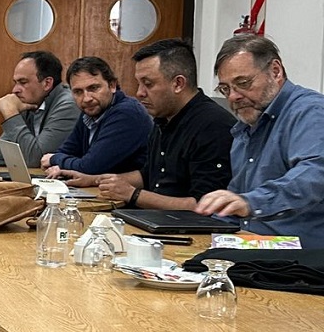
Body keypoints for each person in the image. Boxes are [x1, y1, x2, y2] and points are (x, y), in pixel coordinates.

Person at [69, 39, 233, 209]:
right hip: (154, 219)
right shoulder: (163, 117)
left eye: (148, 84)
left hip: (185, 228)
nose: (139, 93)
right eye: (138, 84)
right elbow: (148, 174)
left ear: (178, 84)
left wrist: (134, 195)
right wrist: (95, 180)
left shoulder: (212, 125)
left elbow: (204, 205)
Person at [196, 35, 324, 246]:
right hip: (251, 243)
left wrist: (250, 202)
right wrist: (206, 223)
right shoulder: (246, 127)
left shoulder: (310, 112)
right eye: (225, 89)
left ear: (275, 71)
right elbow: (237, 200)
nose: (233, 97)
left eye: (243, 83)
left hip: (299, 257)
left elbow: (314, 175)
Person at [41, 56, 152, 178]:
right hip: (99, 189)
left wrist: (55, 160)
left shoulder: (127, 113)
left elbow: (90, 167)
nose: (87, 98)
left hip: (128, 192)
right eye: (78, 92)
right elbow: (66, 151)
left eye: (93, 88)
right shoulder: (90, 112)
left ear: (112, 86)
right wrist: (59, 163)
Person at [0, 51, 78, 167]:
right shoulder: (30, 102)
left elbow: (35, 159)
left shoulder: (68, 105)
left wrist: (11, 113)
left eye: (23, 82)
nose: (15, 90)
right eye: (16, 83)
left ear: (47, 83)